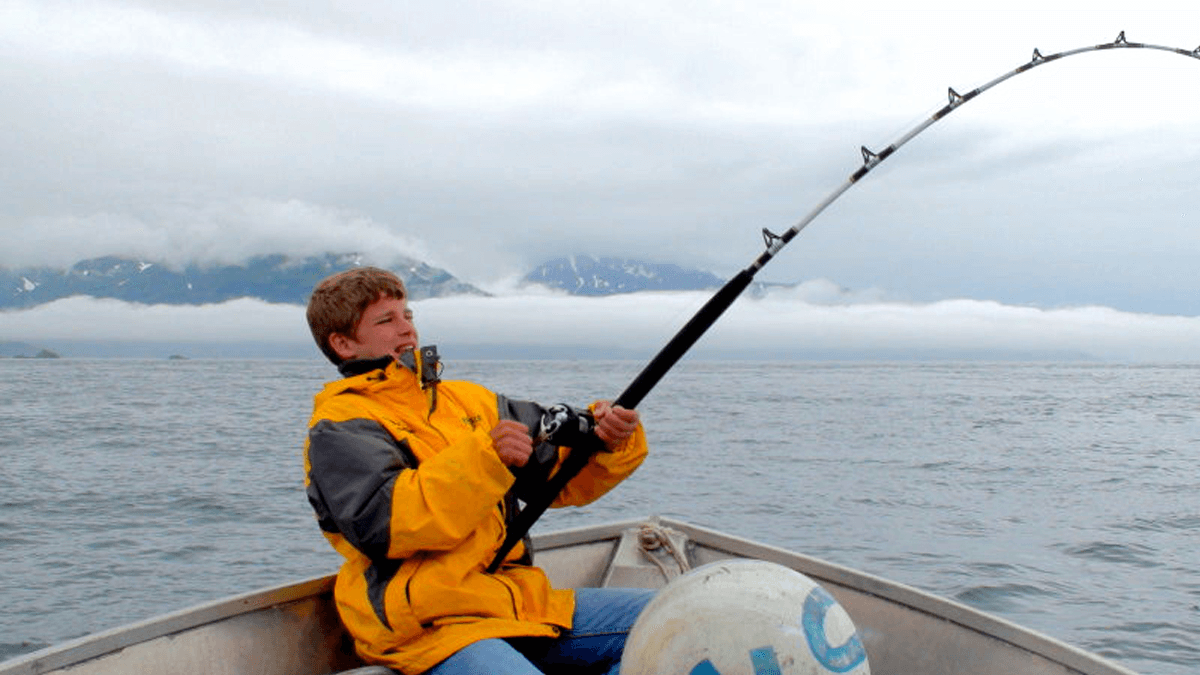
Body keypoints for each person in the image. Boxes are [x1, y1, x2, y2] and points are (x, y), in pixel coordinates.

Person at [303, 267, 652, 675]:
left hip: (506, 599)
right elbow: (388, 525)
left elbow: (557, 479)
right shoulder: (339, 426)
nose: (406, 329)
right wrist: (487, 460)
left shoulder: (467, 400)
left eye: (407, 315)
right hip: (428, 624)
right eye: (386, 320)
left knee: (675, 622)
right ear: (343, 344)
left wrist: (605, 437)